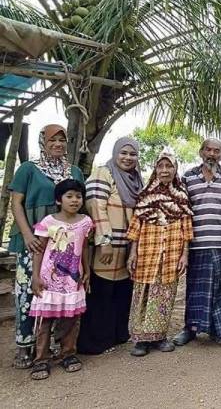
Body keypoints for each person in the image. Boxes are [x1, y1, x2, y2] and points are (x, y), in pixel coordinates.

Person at [8, 124, 85, 369]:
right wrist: (28, 234)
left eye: (62, 140)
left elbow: (79, 207)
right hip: (33, 242)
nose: (58, 144)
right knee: (28, 293)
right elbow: (16, 203)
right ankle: (25, 346)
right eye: (53, 140)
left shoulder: (73, 171)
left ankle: (55, 346)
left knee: (58, 294)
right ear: (43, 142)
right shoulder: (28, 169)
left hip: (64, 247)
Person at [173, 138, 221, 347]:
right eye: (208, 150)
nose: (212, 154)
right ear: (201, 152)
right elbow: (183, 209)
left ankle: (219, 331)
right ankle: (190, 329)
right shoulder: (188, 177)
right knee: (194, 287)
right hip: (195, 241)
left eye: (216, 151)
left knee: (219, 286)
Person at [77, 137, 144, 354]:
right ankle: (94, 342)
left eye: (132, 154)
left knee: (121, 292)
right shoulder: (103, 173)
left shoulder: (136, 179)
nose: (128, 158)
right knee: (101, 293)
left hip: (128, 247)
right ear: (115, 153)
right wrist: (104, 241)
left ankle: (117, 335)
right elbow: (96, 206)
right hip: (106, 246)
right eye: (123, 153)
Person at [126, 150, 194, 357]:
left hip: (171, 254)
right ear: (155, 169)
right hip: (147, 252)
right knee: (142, 295)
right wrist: (133, 254)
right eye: (161, 166)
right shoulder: (145, 195)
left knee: (165, 295)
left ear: (175, 170)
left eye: (169, 166)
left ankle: (159, 337)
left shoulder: (182, 196)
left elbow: (187, 228)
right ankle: (140, 340)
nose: (165, 170)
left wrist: (185, 255)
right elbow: (136, 226)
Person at [29, 179, 93, 380]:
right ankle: (41, 359)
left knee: (71, 319)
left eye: (78, 196)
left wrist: (87, 270)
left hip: (73, 280)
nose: (75, 200)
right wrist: (35, 276)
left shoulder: (86, 222)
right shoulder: (48, 222)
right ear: (58, 200)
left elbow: (84, 247)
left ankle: (68, 354)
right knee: (45, 320)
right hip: (48, 280)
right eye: (69, 196)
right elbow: (39, 252)